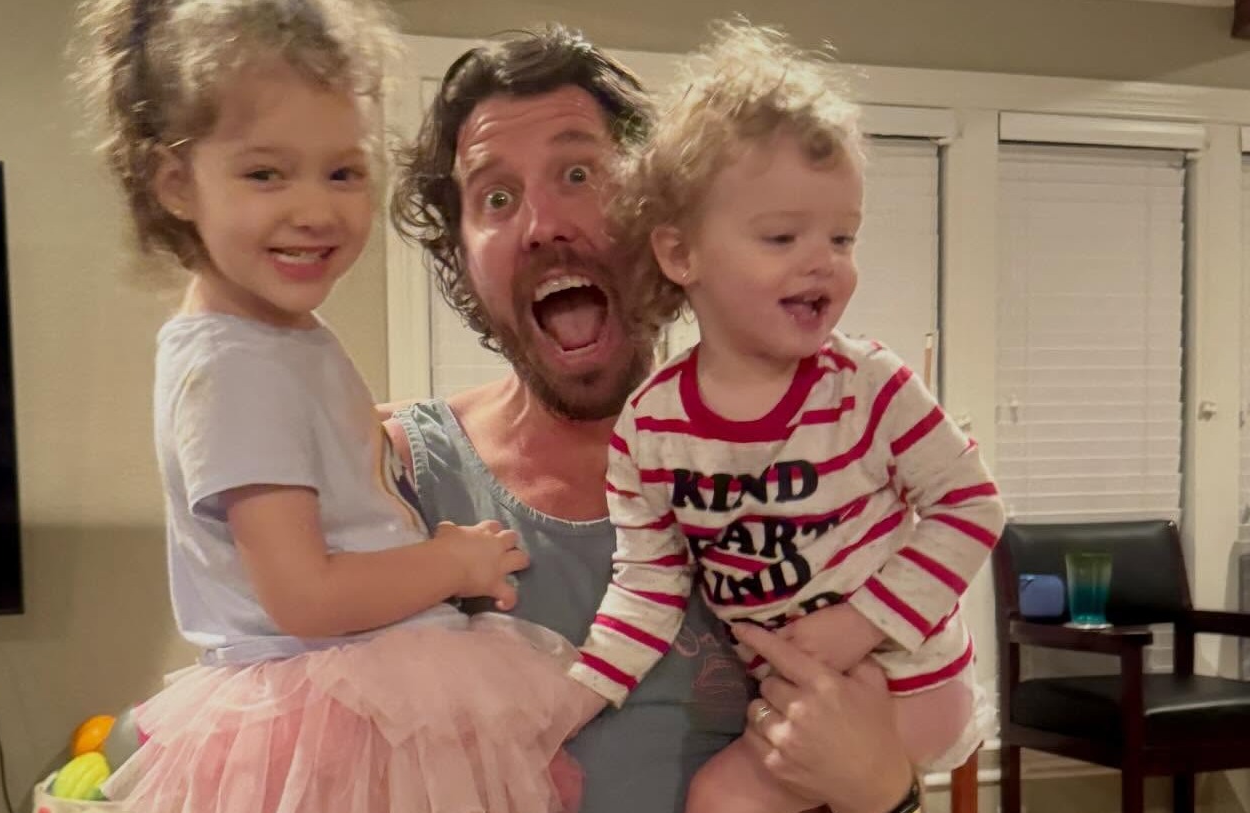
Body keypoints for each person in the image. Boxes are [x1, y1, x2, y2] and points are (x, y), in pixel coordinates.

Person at [390, 24, 929, 813]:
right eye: (495, 197)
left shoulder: (831, 452)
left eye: (580, 173)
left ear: (663, 213)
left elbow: (901, 716)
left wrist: (887, 792)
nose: (543, 224)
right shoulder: (401, 480)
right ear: (462, 257)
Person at [76, 1, 595, 810]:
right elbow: (305, 594)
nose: (316, 210)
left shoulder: (273, 339)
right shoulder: (234, 366)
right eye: (265, 173)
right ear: (175, 183)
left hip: (358, 693)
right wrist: (452, 562)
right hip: (333, 713)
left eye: (343, 172)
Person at [563, 22, 1006, 813]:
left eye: (843, 236)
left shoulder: (869, 385)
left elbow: (972, 504)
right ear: (680, 254)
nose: (823, 259)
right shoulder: (650, 429)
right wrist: (580, 691)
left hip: (910, 681)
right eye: (781, 236)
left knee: (719, 799)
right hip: (793, 699)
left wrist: (861, 622)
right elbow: (650, 581)